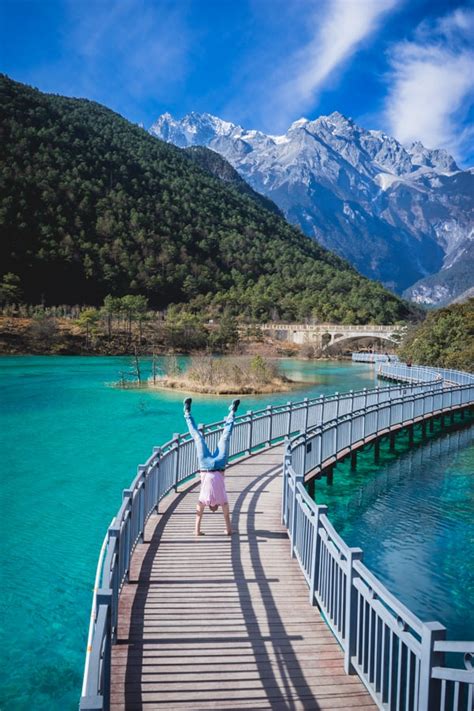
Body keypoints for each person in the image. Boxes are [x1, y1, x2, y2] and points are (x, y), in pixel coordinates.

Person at [184, 397, 240, 536]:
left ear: (211, 506)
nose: (214, 507)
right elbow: (223, 516)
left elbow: (222, 516)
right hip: (215, 464)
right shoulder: (213, 500)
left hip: (210, 465)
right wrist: (228, 530)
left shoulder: (211, 500)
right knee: (214, 437)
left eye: (213, 507)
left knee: (214, 437)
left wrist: (197, 531)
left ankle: (187, 412)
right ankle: (232, 411)